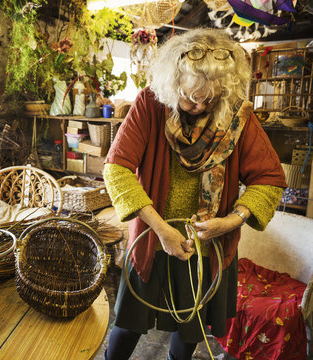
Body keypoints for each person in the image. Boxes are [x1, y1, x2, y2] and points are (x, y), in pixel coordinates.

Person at [103, 28, 287, 360]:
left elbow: (269, 179)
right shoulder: (150, 104)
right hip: (153, 237)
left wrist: (231, 221)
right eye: (190, 96)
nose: (200, 105)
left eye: (210, 97)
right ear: (172, 86)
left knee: (190, 329)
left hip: (208, 248)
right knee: (129, 323)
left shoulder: (238, 116)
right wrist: (162, 230)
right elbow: (116, 168)